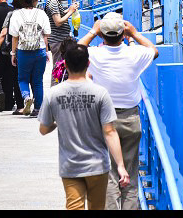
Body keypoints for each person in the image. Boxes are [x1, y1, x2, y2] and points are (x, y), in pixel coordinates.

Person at [78, 12, 159, 210]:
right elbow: (154, 51)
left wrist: (93, 31)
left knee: (109, 173)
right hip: (131, 118)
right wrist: (135, 33)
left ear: (102, 36)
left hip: (103, 120)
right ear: (123, 33)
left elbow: (75, 50)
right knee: (130, 171)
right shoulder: (135, 54)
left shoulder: (95, 55)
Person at [39, 40, 131, 211]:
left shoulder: (53, 94)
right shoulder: (100, 93)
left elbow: (43, 129)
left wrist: (58, 122)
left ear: (64, 64)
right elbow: (110, 132)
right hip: (98, 165)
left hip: (71, 165)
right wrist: (120, 165)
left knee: (74, 207)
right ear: (88, 63)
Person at [9, 0, 51, 118]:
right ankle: (38, 108)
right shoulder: (41, 13)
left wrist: (13, 54)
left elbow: (14, 36)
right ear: (35, 0)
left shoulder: (16, 14)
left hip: (23, 51)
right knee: (38, 81)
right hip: (39, 50)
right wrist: (47, 50)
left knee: (22, 78)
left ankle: (26, 97)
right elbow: (46, 34)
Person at [0, 0, 28, 114]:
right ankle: (36, 104)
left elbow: (3, 33)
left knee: (16, 78)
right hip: (33, 49)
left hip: (15, 50)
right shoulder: (35, 13)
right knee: (34, 79)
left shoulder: (12, 14)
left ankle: (20, 105)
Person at [45, 0, 79, 85]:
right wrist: (71, 12)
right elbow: (58, 22)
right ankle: (54, 91)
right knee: (57, 67)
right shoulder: (53, 2)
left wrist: (68, 10)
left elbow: (59, 14)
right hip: (57, 40)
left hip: (60, 39)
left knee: (62, 66)